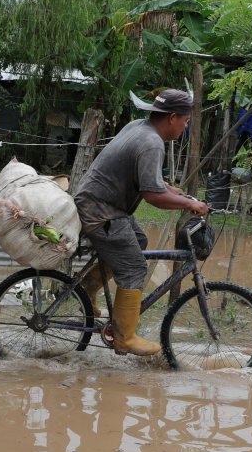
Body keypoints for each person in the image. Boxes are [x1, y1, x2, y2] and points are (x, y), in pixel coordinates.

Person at [73, 89, 208, 356]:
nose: (186, 125)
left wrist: (170, 189)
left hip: (98, 203)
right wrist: (190, 204)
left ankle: (89, 286)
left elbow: (149, 181)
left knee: (140, 241)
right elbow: (152, 196)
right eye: (185, 120)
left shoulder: (139, 127)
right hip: (102, 212)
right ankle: (124, 338)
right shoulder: (152, 143)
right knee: (135, 267)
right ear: (172, 118)